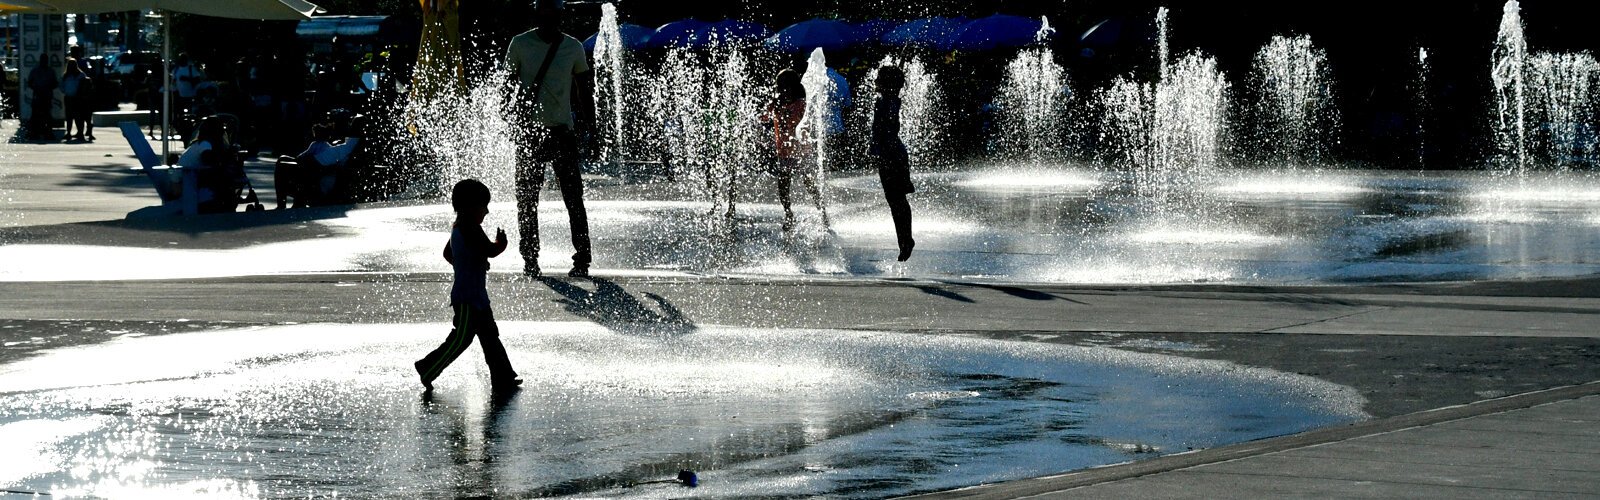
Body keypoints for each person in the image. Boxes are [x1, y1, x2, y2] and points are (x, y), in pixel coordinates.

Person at [505, 0, 592, 277]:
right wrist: (510, 117)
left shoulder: (573, 47)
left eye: (553, 15)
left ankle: (582, 258)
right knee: (527, 200)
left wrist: (590, 129)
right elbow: (506, 88)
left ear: (559, 16)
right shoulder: (519, 44)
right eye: (544, 14)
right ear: (537, 15)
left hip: (561, 133)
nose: (549, 20)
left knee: (573, 198)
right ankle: (530, 258)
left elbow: (584, 92)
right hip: (530, 134)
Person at [414, 179, 521, 392]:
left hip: (476, 296)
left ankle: (504, 377)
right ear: (470, 206)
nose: (487, 211)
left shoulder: (459, 226)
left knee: (490, 336)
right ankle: (428, 367)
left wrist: (469, 262)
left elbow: (448, 253)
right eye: (484, 206)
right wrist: (502, 244)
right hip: (468, 298)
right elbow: (490, 250)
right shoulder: (471, 227)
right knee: (461, 338)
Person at [760, 68, 827, 233]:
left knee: (809, 182)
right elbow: (762, 118)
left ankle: (822, 212)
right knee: (783, 185)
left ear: (794, 86)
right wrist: (771, 106)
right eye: (781, 86)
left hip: (801, 151)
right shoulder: (776, 104)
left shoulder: (801, 104)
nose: (784, 90)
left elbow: (807, 124)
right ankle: (788, 214)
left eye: (787, 86)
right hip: (784, 152)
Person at [870, 65, 915, 261]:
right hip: (893, 153)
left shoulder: (886, 102)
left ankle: (905, 240)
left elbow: (885, 130)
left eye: (879, 77)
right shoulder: (890, 100)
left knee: (896, 199)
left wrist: (878, 149)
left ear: (886, 83)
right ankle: (904, 240)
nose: (875, 80)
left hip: (891, 154)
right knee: (896, 199)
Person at [273, 122, 360, 209]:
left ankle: (287, 203)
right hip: (315, 165)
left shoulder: (331, 148)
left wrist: (302, 158)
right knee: (282, 159)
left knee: (282, 164)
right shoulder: (328, 147)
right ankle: (288, 202)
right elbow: (306, 155)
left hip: (315, 170)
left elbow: (308, 156)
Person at [177, 116, 244, 214]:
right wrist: (223, 158)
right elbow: (208, 159)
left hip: (189, 176)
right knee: (223, 178)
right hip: (187, 179)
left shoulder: (199, 143)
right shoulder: (205, 144)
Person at [60, 59, 93, 142]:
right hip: (68, 97)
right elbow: (61, 86)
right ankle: (68, 133)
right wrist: (65, 91)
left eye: (73, 65)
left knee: (79, 117)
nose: (72, 67)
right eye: (70, 65)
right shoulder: (65, 75)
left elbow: (86, 85)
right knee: (69, 117)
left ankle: (80, 132)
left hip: (78, 98)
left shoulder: (81, 75)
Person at [25, 59, 58, 141]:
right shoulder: (35, 71)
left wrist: (49, 88)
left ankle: (48, 132)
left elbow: (55, 83)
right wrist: (36, 89)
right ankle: (35, 132)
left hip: (46, 95)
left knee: (47, 115)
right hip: (38, 95)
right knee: (36, 115)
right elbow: (29, 82)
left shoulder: (50, 71)